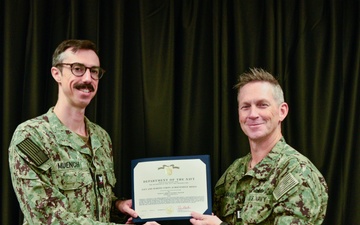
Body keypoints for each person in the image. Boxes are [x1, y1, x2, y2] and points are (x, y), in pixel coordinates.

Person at [8, 39, 159, 225]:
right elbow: (45, 216)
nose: (88, 78)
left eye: (94, 71)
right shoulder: (31, 136)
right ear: (57, 74)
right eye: (77, 68)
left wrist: (118, 206)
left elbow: (95, 200)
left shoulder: (101, 137)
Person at [190, 68, 328, 225]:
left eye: (262, 105)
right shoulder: (234, 173)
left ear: (282, 111)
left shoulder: (297, 173)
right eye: (245, 106)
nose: (253, 114)